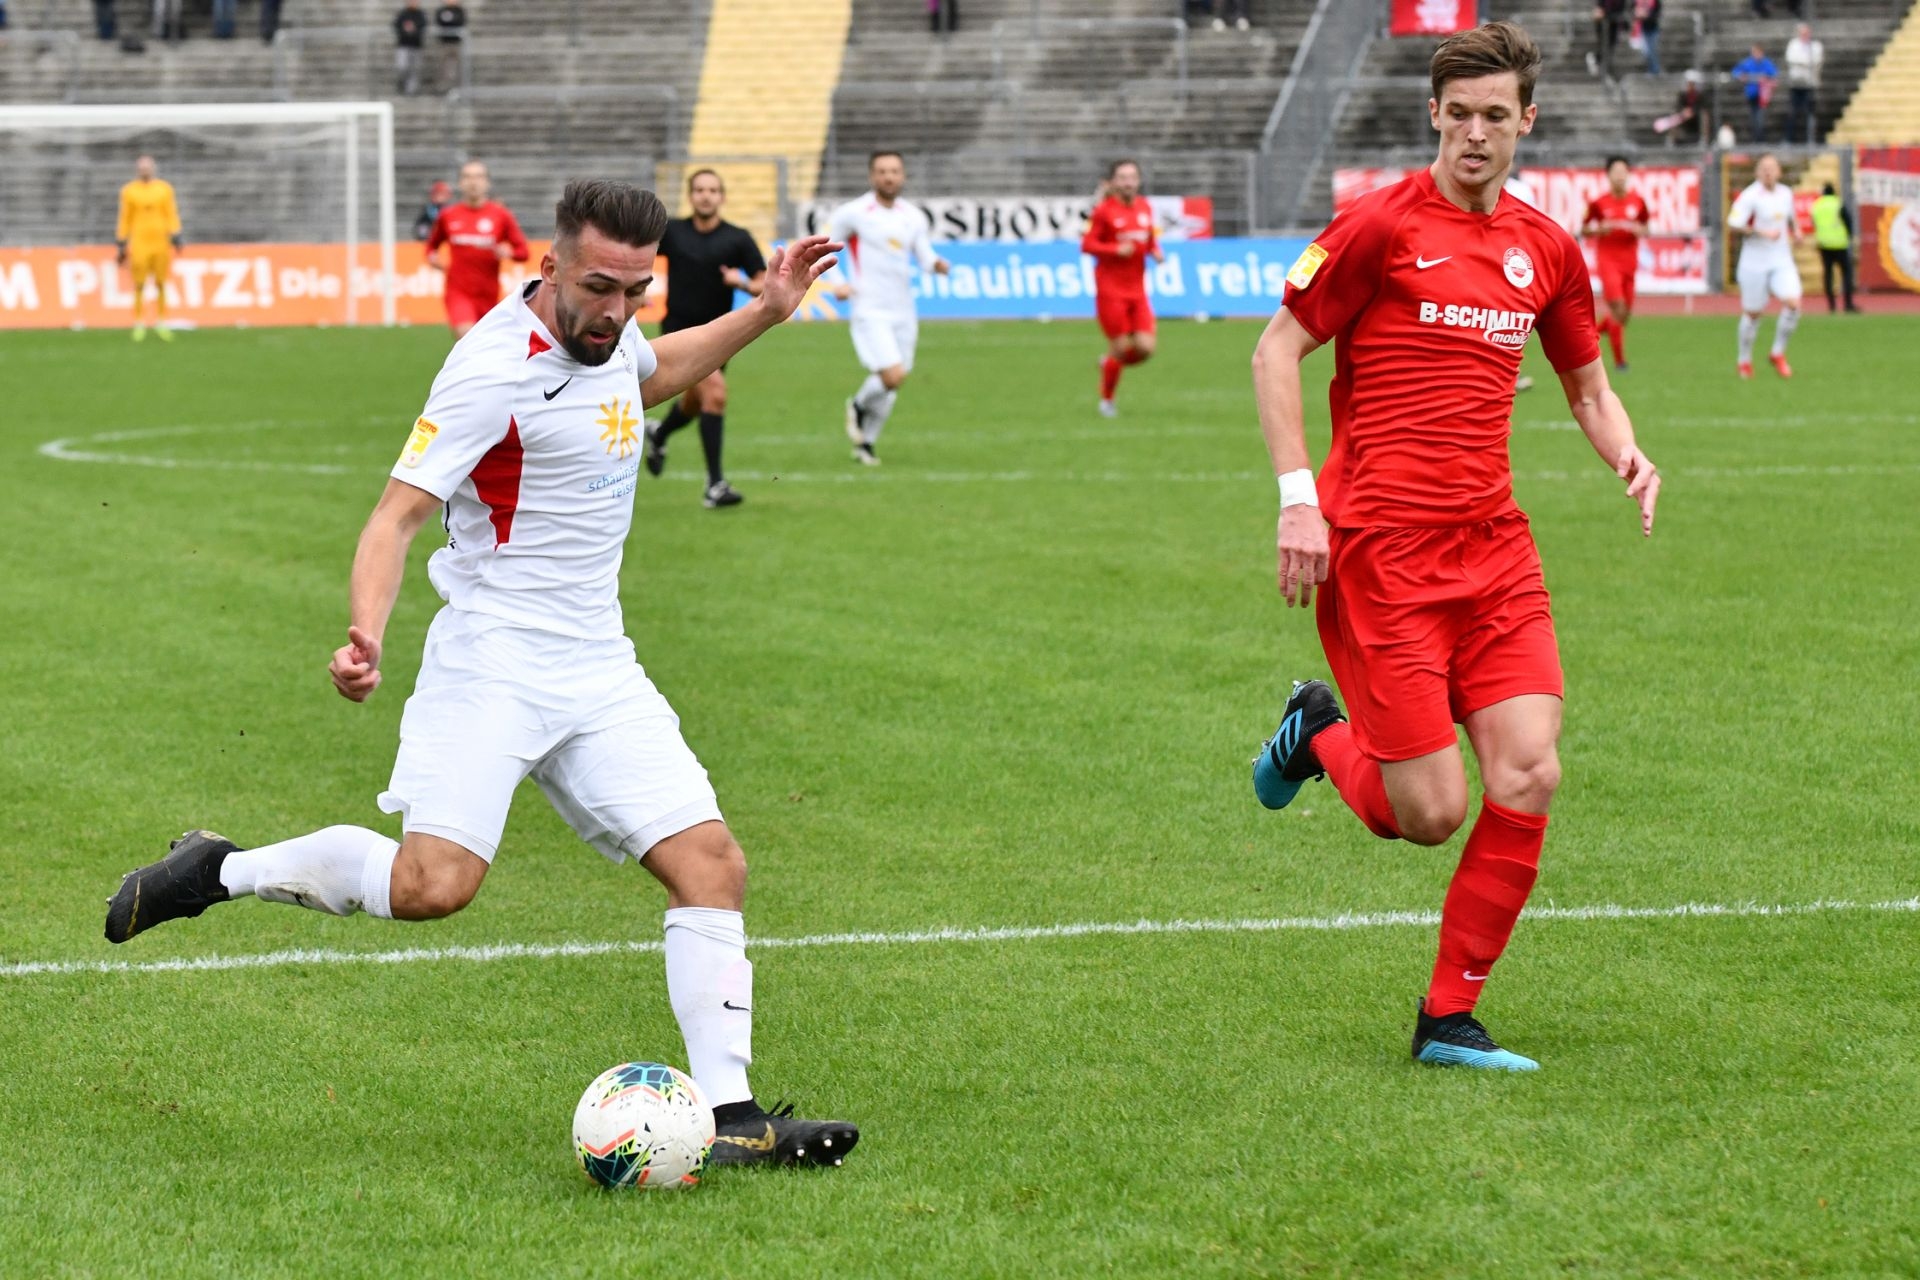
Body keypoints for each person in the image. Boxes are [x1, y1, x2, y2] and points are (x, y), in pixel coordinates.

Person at [102, 179, 860, 1170]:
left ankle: (736, 1116)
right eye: (599, 287)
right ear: (548, 266)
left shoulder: (614, 335)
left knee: (711, 862)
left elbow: (649, 370)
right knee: (431, 885)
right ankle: (218, 868)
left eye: (636, 290)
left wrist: (762, 310)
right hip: (492, 662)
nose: (617, 311)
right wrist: (363, 633)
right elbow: (395, 515)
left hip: (599, 665)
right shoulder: (490, 369)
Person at [1249, 21, 1659, 1072]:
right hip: (1382, 550)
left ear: (1528, 120)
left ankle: (1447, 1016)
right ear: (1434, 115)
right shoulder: (1376, 227)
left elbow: (1585, 383)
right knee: (1426, 812)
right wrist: (1300, 499)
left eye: (1497, 115)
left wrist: (1626, 450)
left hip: (1496, 554)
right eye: (1459, 114)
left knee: (1529, 770)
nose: (1476, 134)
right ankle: (1316, 732)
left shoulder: (1547, 249)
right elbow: (1278, 347)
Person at [643, 169, 768, 509]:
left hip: (719, 336)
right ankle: (715, 485)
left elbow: (763, 282)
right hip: (679, 330)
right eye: (699, 189)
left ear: (722, 197)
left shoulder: (737, 238)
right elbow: (642, 256)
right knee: (715, 393)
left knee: (697, 403)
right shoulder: (673, 232)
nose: (706, 195)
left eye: (712, 190)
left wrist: (740, 282)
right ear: (690, 195)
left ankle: (659, 433)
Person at [827, 151, 950, 466]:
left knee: (894, 383)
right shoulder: (854, 213)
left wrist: (936, 264)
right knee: (891, 375)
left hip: (903, 309)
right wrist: (837, 282)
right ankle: (856, 406)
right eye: (882, 171)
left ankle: (866, 443)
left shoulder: (913, 216)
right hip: (870, 307)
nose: (889, 177)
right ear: (872, 176)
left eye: (894, 171)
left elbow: (923, 255)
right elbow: (824, 248)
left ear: (903, 176)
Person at [1082, 159, 1163, 418]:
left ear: (1138, 181)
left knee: (1145, 348)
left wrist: (1155, 251)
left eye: (1132, 177)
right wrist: (1115, 249)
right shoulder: (1104, 211)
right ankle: (1107, 400)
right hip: (1110, 291)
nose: (1128, 182)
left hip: (1137, 291)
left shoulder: (1144, 207)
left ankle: (1108, 365)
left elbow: (1147, 239)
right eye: (1123, 177)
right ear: (1114, 182)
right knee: (1119, 348)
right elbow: (1087, 245)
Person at [425, 160, 530, 337]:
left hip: (488, 294)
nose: (473, 182)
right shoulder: (448, 216)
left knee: (485, 347)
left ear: (487, 182)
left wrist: (509, 252)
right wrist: (433, 257)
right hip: (458, 292)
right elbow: (431, 246)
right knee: (467, 335)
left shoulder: (501, 215)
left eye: (478, 177)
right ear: (460, 183)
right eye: (467, 177)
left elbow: (523, 252)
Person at [1728, 153, 1803, 378]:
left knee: (1793, 303)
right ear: (1757, 172)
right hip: (1754, 262)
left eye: (1772, 168)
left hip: (1781, 259)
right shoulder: (1750, 197)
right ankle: (1744, 359)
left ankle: (1778, 353)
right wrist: (1762, 232)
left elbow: (1791, 218)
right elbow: (1733, 224)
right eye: (1764, 168)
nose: (1768, 172)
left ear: (1779, 171)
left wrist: (1797, 232)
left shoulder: (1785, 193)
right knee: (1753, 314)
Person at [1581, 155, 1649, 372]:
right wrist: (1598, 229)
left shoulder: (1637, 201)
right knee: (1617, 308)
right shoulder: (1599, 203)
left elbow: (1646, 225)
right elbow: (1583, 229)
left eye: (1623, 171)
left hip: (1630, 262)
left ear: (1628, 174)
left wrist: (1640, 230)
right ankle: (1620, 362)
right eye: (1615, 172)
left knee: (1623, 316)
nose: (1619, 176)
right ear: (1608, 175)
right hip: (1608, 261)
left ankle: (1589, 336)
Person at [116, 154, 183, 343]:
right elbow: (125, 217)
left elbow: (170, 212)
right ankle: (139, 322)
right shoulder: (129, 191)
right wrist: (121, 240)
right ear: (138, 170)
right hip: (139, 243)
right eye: (142, 168)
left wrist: (176, 233)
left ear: (153, 169)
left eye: (148, 167)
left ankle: (162, 322)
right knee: (139, 284)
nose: (145, 171)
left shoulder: (164, 189)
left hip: (161, 242)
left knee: (161, 283)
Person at [1810, 181, 1861, 314]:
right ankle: (1848, 303)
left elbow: (1814, 223)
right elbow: (1848, 222)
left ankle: (1831, 304)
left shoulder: (1817, 205)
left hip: (1824, 244)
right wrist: (1850, 238)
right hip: (1840, 244)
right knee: (1847, 273)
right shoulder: (1838, 203)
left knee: (1828, 274)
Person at [1785, 23, 1822, 145]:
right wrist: (1806, 63)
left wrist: (1801, 63)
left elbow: (1816, 61)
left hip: (1810, 84)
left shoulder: (1816, 46)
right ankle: (1789, 139)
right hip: (1796, 84)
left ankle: (1811, 139)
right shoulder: (1793, 44)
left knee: (1810, 113)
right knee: (1792, 113)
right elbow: (1791, 59)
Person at [1731, 44, 1776, 143]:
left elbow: (1773, 74)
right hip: (1751, 93)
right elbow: (1735, 71)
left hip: (1762, 95)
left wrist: (1766, 78)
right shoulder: (1748, 63)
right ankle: (1756, 138)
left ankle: (1760, 138)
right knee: (1754, 117)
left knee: (1760, 117)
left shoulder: (1766, 63)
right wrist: (1741, 76)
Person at [1585, 0, 1627, 80]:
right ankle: (1597, 60)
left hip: (1614, 24)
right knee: (1604, 45)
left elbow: (1621, 10)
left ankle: (1605, 66)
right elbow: (1599, 9)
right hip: (1604, 24)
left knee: (1611, 46)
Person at [395, 0, 429, 96]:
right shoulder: (403, 13)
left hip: (416, 45)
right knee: (402, 66)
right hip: (404, 44)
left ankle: (411, 90)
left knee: (415, 69)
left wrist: (414, 31)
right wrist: (405, 32)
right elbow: (397, 25)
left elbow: (423, 27)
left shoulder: (420, 14)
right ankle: (402, 83)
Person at [432, 0, 466, 92]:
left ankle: (457, 88)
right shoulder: (442, 10)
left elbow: (460, 22)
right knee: (442, 65)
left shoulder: (459, 11)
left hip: (455, 42)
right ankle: (442, 87)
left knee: (457, 65)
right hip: (444, 42)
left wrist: (450, 21)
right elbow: (440, 21)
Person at [1634, 0, 1661, 77]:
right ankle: (1652, 69)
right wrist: (1637, 13)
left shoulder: (1655, 1)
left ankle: (1655, 70)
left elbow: (1657, 12)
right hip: (1643, 28)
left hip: (1653, 28)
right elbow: (1633, 9)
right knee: (1646, 50)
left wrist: (1648, 15)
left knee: (1651, 50)